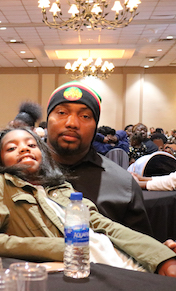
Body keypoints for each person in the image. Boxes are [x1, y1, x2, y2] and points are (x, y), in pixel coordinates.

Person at [0, 127, 176, 276]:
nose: (24, 149)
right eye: (11, 148)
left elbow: (104, 226)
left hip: (117, 257)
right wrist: (58, 247)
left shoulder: (61, 186)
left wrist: (158, 255)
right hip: (85, 269)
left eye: (31, 145)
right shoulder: (2, 184)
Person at [45, 81, 153, 236]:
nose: (72, 123)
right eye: (62, 113)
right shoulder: (15, 174)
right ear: (47, 119)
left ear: (96, 127)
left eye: (85, 116)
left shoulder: (123, 185)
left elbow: (140, 250)